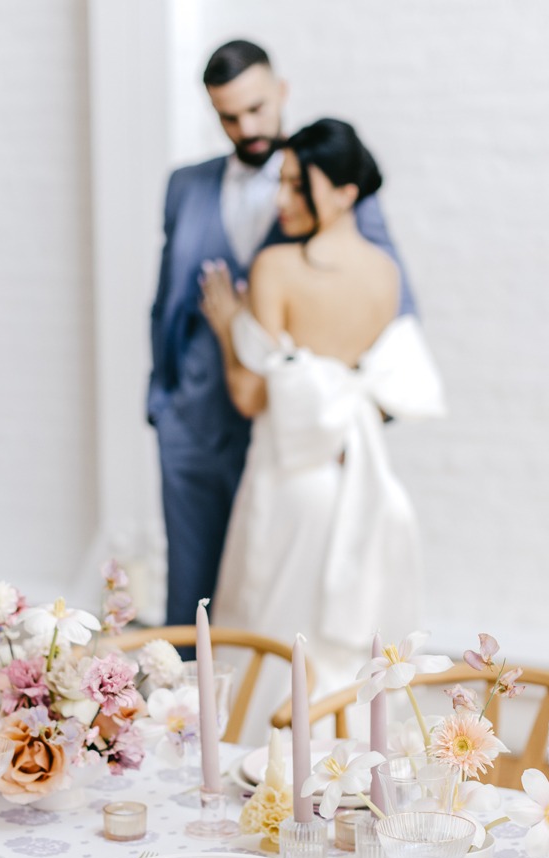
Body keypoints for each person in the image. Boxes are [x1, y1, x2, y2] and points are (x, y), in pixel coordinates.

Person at [148, 39, 418, 629]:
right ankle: (185, 721)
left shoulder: (338, 186)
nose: (246, 127)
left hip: (290, 439)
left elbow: (396, 323)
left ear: (282, 92)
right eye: (228, 116)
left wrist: (346, 420)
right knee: (188, 607)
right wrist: (162, 404)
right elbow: (165, 301)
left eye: (257, 109)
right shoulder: (185, 186)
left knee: (266, 611)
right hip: (192, 433)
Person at [199, 118, 445, 729]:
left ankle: (259, 764)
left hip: (290, 478)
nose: (282, 201)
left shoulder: (277, 267)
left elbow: (251, 396)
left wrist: (229, 327)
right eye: (280, 185)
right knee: (339, 641)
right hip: (359, 479)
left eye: (296, 186)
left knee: (270, 632)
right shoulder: (384, 273)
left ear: (344, 192)